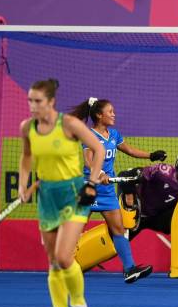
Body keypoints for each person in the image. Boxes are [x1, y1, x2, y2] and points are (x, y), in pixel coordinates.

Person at [18, 78, 105, 307]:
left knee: (65, 257)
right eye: (30, 101)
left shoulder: (69, 124)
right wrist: (23, 186)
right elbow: (26, 157)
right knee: (54, 262)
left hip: (73, 195)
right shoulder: (27, 127)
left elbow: (98, 149)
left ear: (51, 102)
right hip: (47, 199)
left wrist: (91, 183)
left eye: (38, 101)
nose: (33, 106)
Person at [70, 97, 167, 283]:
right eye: (110, 111)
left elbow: (129, 150)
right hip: (89, 188)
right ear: (99, 115)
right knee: (76, 231)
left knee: (119, 230)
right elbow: (89, 162)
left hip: (106, 192)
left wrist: (151, 155)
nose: (114, 114)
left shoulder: (113, 135)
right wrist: (98, 175)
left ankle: (129, 269)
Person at [118, 149, 178, 239]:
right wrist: (129, 198)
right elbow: (124, 175)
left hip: (157, 218)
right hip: (137, 211)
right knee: (116, 243)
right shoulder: (163, 172)